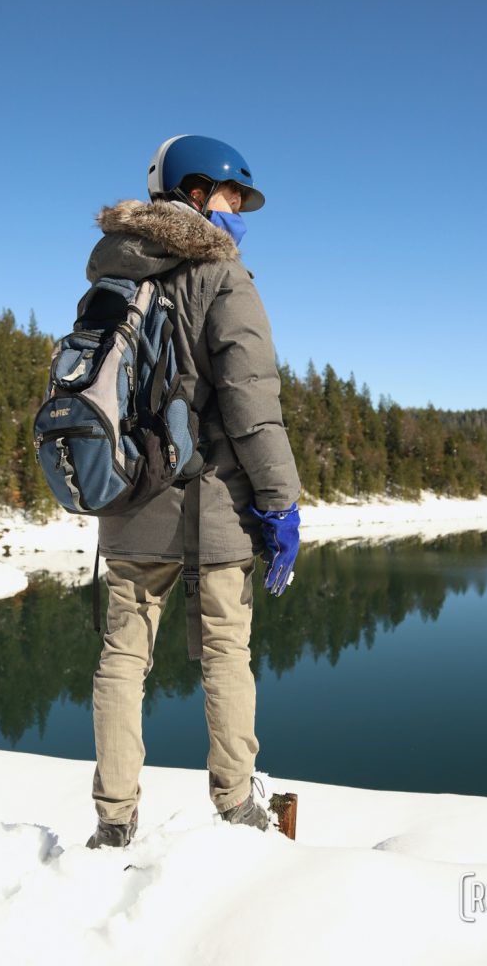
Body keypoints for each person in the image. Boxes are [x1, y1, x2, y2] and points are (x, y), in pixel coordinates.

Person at [84, 135, 301, 849]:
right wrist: (279, 503)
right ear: (196, 191)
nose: (239, 213)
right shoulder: (224, 279)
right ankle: (237, 806)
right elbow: (249, 403)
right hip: (211, 512)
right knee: (225, 658)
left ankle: (113, 821)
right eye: (232, 197)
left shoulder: (115, 273)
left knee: (121, 663)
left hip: (128, 499)